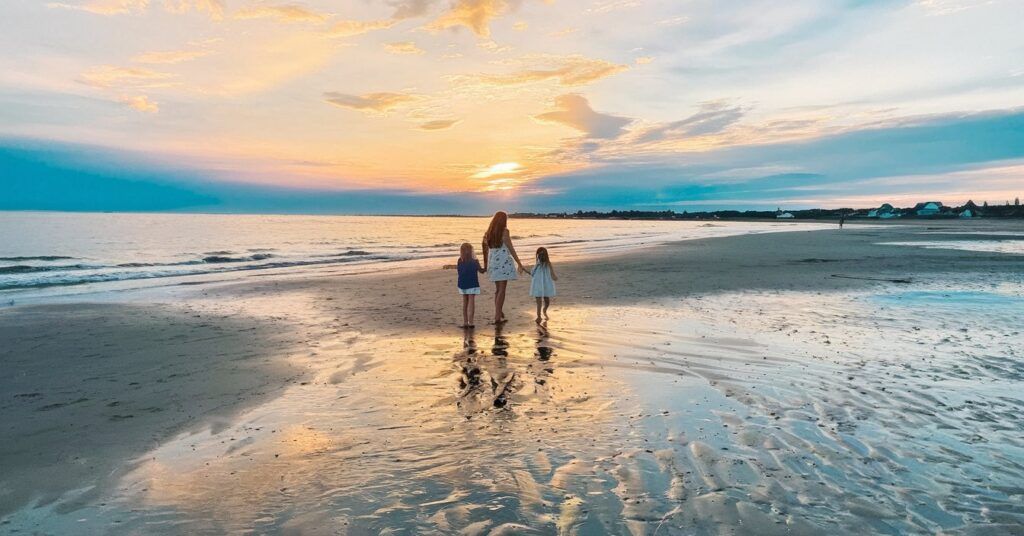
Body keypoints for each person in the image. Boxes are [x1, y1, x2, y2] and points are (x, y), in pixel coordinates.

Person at [482, 211, 526, 324]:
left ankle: (499, 311)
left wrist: (486, 265)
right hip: (503, 263)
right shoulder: (505, 232)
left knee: (498, 290)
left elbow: (485, 250)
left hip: (493, 263)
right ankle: (497, 316)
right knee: (502, 290)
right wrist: (519, 263)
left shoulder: (488, 233)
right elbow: (511, 248)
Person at [443, 242, 486, 328]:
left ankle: (465, 321)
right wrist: (486, 266)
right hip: (473, 283)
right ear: (471, 251)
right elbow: (481, 271)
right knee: (471, 302)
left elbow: (459, 272)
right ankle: (471, 322)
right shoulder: (475, 261)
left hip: (463, 283)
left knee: (465, 302)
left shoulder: (460, 260)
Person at [529, 247, 558, 323]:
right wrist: (537, 265)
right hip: (538, 285)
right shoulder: (537, 264)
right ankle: (539, 316)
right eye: (540, 255)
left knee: (547, 301)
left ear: (546, 255)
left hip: (546, 285)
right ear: (538, 255)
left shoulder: (548, 264)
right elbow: (532, 273)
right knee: (538, 302)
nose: (541, 256)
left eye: (543, 254)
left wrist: (554, 276)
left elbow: (552, 273)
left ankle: (544, 309)